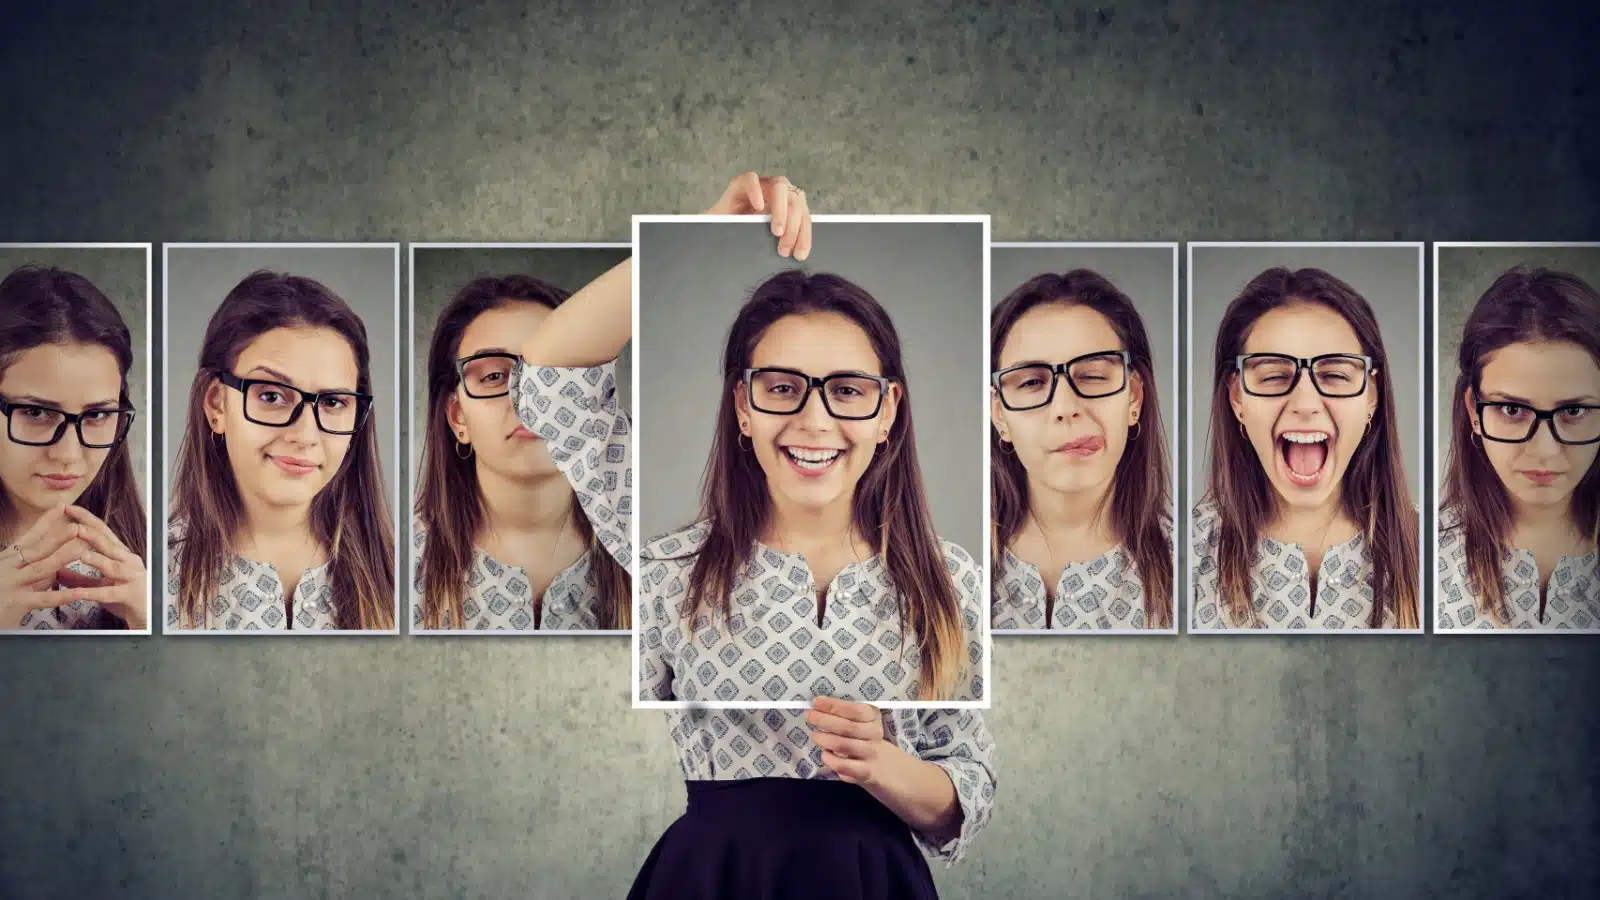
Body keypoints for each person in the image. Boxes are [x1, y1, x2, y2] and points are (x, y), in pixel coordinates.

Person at [629, 174, 994, 900]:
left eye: (848, 390)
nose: (815, 422)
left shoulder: (951, 581)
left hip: (873, 882)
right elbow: (548, 384)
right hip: (710, 881)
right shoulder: (663, 574)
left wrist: (884, 764)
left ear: (889, 411)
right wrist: (703, 224)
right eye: (782, 387)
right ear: (743, 405)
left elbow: (969, 790)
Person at [1191, 266, 1419, 630]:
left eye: (1334, 375)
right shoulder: (1181, 555)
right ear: (1237, 398)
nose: (1306, 403)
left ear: (1371, 396)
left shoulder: (1438, 556)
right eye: (1275, 376)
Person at [167, 270, 394, 630]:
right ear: (216, 404)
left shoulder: (405, 575)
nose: (305, 435)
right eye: (271, 396)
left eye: (334, 401)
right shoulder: (149, 577)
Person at [412, 273, 631, 630]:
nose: (528, 402)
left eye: (553, 375)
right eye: (495, 377)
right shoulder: (395, 565)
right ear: (457, 417)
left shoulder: (645, 551)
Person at [989, 269, 1173, 629]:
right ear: (999, 415)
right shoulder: (957, 578)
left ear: (1134, 397)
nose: (1065, 407)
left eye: (1092, 376)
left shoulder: (1197, 567)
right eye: (1030, 382)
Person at [1438, 266, 1600, 630]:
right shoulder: (1420, 555)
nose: (1544, 450)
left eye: (1574, 411)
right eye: (1512, 410)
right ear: (1473, 411)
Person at [0, 265, 147, 631]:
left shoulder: (156, 559)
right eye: (36, 412)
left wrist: (149, 625)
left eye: (97, 415)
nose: (68, 454)